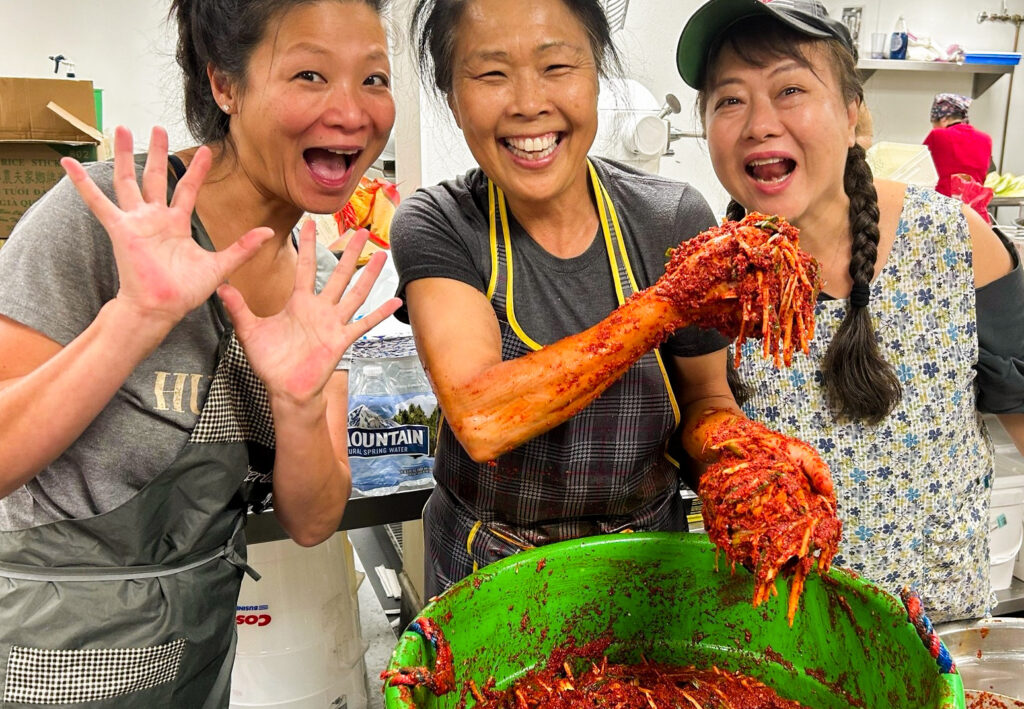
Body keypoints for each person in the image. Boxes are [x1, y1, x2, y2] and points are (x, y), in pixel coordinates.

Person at [0, 0, 400, 705]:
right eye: (310, 74)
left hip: (196, 659)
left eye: (373, 79)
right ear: (224, 84)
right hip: (42, 660)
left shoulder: (311, 273)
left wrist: (300, 403)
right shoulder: (100, 222)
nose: (352, 112)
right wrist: (133, 318)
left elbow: (313, 520)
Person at [393, 0, 833, 599]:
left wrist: (741, 458)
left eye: (557, 67)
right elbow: (483, 417)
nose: (528, 102)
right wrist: (671, 302)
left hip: (647, 562)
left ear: (597, 75)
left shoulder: (669, 216)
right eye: (491, 73)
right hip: (490, 566)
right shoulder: (439, 223)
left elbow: (705, 399)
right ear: (451, 94)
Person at [677, 0, 1024, 622]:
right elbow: (700, 425)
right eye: (729, 100)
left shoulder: (954, 240)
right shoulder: (709, 280)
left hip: (937, 634)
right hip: (782, 636)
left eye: (790, 89)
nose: (759, 123)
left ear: (853, 116)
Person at [923, 93, 994, 198]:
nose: (934, 127)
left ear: (943, 119)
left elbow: (920, 170)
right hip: (973, 207)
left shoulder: (937, 135)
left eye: (934, 123)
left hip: (943, 206)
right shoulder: (986, 139)